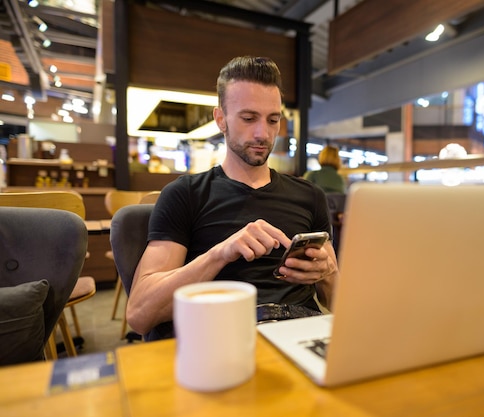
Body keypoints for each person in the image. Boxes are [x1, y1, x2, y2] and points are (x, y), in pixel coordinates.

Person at [126, 56, 339, 340]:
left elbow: (338, 303)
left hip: (299, 332)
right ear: (221, 119)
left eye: (272, 120)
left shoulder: (310, 195)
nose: (263, 133)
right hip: (222, 333)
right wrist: (220, 253)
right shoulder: (186, 194)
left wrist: (326, 273)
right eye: (249, 118)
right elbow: (140, 314)